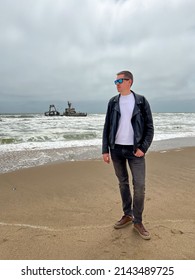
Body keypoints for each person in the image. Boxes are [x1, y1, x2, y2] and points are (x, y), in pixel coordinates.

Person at [102, 70, 154, 240]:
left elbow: (149, 128)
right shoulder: (113, 102)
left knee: (139, 186)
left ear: (129, 82)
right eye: (115, 82)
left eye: (119, 81)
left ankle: (138, 221)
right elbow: (107, 126)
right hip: (116, 149)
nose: (117, 84)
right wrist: (105, 150)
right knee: (122, 183)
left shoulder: (141, 101)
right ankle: (127, 214)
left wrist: (143, 148)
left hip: (135, 150)